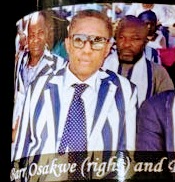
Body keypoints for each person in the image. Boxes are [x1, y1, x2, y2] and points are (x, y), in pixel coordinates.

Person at [13, 9, 138, 162]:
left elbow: (126, 159)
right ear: (68, 45)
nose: (87, 50)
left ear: (107, 49)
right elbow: (20, 153)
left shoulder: (125, 91)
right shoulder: (38, 87)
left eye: (97, 41)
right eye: (79, 40)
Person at [13, 12, 65, 134]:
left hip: (39, 136)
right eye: (32, 35)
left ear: (47, 34)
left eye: (40, 33)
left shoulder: (58, 66)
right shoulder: (20, 59)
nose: (35, 39)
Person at [106, 16, 174, 104]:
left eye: (135, 39)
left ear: (145, 42)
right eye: (122, 38)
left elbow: (167, 108)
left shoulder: (157, 73)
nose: (127, 44)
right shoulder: (100, 66)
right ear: (116, 39)